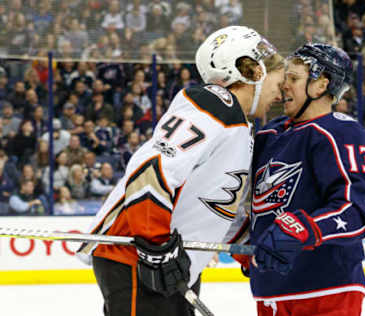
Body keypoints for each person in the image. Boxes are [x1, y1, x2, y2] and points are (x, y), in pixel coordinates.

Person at [76, 25, 285, 316]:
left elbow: (217, 203)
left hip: (172, 264)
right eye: (277, 72)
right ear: (251, 71)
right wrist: (156, 245)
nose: (283, 87)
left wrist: (248, 249)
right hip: (138, 256)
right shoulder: (214, 104)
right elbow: (151, 168)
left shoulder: (237, 126)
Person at [245, 43, 365, 316]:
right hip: (271, 290)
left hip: (326, 290)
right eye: (285, 78)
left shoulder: (340, 132)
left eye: (294, 79)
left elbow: (354, 212)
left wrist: (303, 228)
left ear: (320, 86)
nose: (284, 85)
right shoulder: (268, 136)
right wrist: (248, 240)